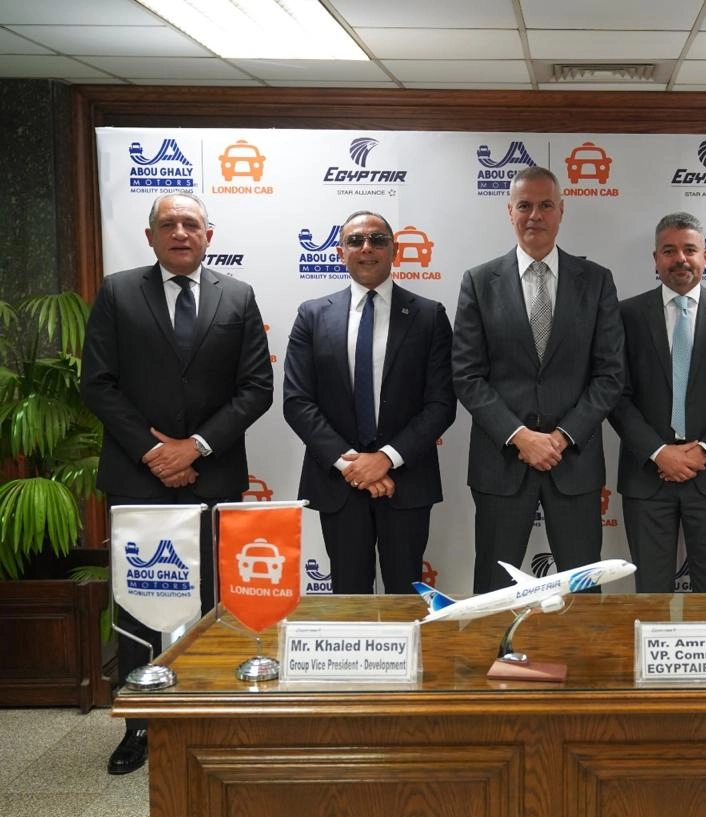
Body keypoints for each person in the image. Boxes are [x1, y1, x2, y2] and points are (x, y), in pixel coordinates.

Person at [81, 191, 273, 775]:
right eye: (168, 224)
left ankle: (210, 712)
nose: (180, 232)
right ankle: (140, 723)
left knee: (214, 600)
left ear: (209, 235)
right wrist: (155, 451)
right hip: (137, 475)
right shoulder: (118, 292)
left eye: (191, 223)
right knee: (139, 602)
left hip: (212, 474)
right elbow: (98, 383)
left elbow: (256, 388)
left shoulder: (237, 296)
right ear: (151, 237)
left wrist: (196, 447)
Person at [453, 166, 624, 593]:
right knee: (493, 591)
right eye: (525, 205)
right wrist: (520, 437)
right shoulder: (479, 282)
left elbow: (610, 374)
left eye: (546, 205)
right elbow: (467, 375)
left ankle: (583, 648)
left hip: (574, 462)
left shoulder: (596, 281)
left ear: (561, 211)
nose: (535, 215)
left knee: (584, 590)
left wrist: (562, 437)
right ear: (509, 211)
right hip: (502, 463)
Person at [282, 210, 456, 595]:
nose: (366, 248)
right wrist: (352, 465)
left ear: (394, 250)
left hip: (405, 481)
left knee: (406, 599)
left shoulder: (429, 316)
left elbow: (441, 403)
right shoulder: (312, 316)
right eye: (355, 240)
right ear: (340, 252)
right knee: (349, 600)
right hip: (339, 484)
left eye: (378, 240)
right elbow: (297, 402)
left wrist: (385, 459)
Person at [608, 212, 706, 592]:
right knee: (650, 594)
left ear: (705, 256)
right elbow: (616, 394)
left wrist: (704, 451)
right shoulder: (626, 315)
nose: (680, 259)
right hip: (647, 476)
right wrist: (659, 453)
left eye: (690, 250)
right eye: (669, 251)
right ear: (655, 258)